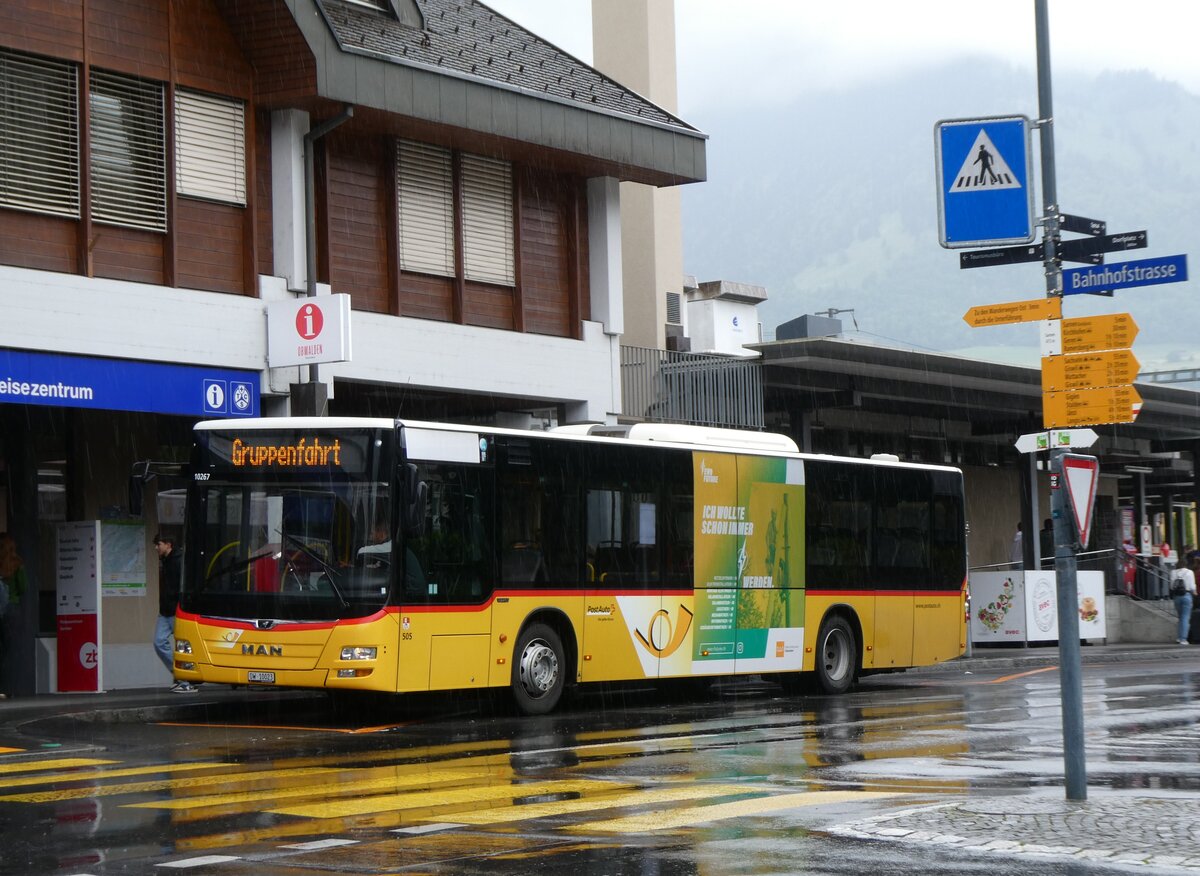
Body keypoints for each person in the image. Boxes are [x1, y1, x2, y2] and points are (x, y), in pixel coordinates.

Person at [153, 533, 195, 692]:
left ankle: (186, 680)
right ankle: (180, 675)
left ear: (168, 544)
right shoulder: (166, 561)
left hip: (177, 611)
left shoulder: (178, 561)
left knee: (183, 647)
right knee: (159, 642)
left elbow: (184, 587)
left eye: (159, 544)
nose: (156, 547)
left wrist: (181, 606)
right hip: (165, 611)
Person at [0, 533, 28, 700]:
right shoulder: (18, 564)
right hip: (12, 609)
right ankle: (7, 688)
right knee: (11, 651)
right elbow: (23, 587)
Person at [1170, 559, 1196, 645]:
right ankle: (1183, 639)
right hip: (1187, 595)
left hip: (1177, 597)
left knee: (1181, 617)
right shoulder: (1190, 572)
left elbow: (1171, 586)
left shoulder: (1173, 572)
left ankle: (1179, 637)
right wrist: (1194, 592)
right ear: (1186, 564)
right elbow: (1192, 587)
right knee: (1185, 617)